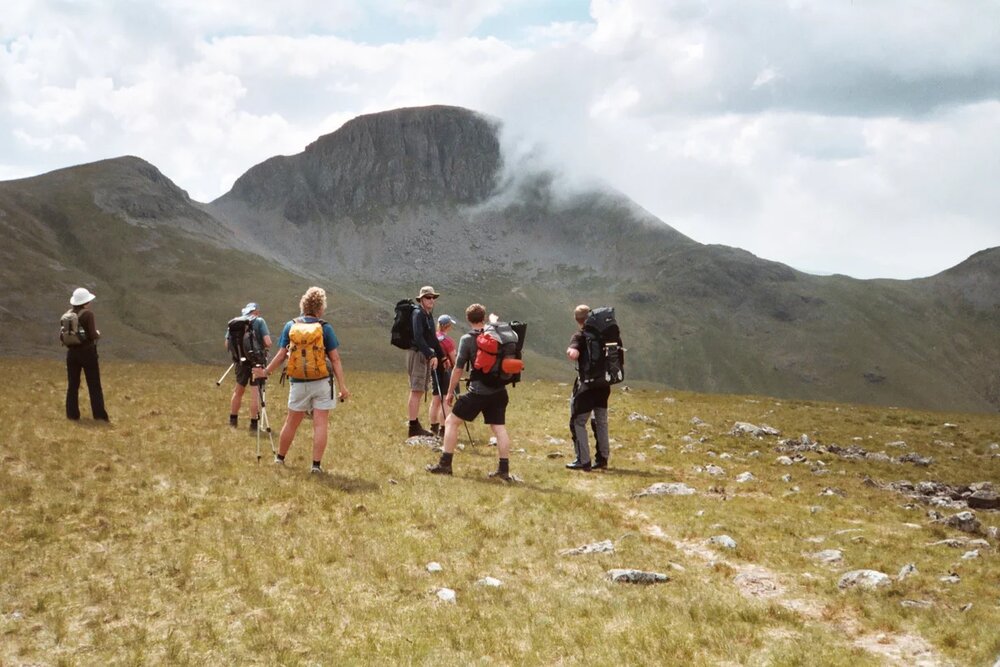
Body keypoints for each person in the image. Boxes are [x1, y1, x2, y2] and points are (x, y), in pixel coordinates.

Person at [253, 287, 350, 473]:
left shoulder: (291, 326)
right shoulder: (325, 328)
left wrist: (266, 372)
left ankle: (280, 458)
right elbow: (335, 359)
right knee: (320, 424)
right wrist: (342, 387)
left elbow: (281, 355)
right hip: (322, 382)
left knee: (291, 422)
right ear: (320, 308)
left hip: (298, 382)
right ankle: (316, 466)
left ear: (303, 305)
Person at [427, 304, 515, 481]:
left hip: (478, 392)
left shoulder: (467, 339)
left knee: (451, 422)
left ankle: (445, 464)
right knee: (499, 428)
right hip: (499, 391)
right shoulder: (498, 335)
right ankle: (503, 470)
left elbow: (458, 368)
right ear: (484, 318)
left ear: (468, 319)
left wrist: (450, 392)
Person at [566, 304, 611, 471]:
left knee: (578, 422)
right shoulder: (605, 334)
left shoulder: (580, 335)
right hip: (604, 385)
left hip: (587, 386)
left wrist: (570, 350)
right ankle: (603, 459)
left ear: (577, 319)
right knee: (600, 421)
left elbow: (574, 354)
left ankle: (583, 460)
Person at [64, 287, 110, 422]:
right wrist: (98, 334)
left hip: (72, 353)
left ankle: (72, 414)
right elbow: (92, 334)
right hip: (87, 353)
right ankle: (99, 415)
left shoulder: (68, 314)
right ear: (85, 302)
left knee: (73, 385)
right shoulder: (88, 315)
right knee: (94, 384)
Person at [226, 302, 272, 431]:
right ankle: (253, 424)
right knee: (255, 393)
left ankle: (233, 420)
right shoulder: (260, 321)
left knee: (238, 391)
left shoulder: (235, 323)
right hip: (256, 362)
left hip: (241, 362)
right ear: (256, 311)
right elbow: (268, 342)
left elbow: (227, 344)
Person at [406, 285, 445, 437]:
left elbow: (433, 339)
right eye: (428, 297)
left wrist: (442, 357)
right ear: (421, 299)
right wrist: (431, 354)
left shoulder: (427, 315)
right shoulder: (418, 314)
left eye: (433, 297)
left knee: (420, 389)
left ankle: (414, 424)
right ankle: (413, 426)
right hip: (418, 354)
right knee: (416, 389)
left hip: (424, 355)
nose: (431, 300)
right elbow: (418, 337)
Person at [428, 314, 458, 438]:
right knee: (446, 400)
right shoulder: (448, 341)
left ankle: (433, 426)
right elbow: (453, 360)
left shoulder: (433, 338)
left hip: (435, 370)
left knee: (435, 399)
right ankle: (443, 428)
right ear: (448, 326)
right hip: (447, 371)